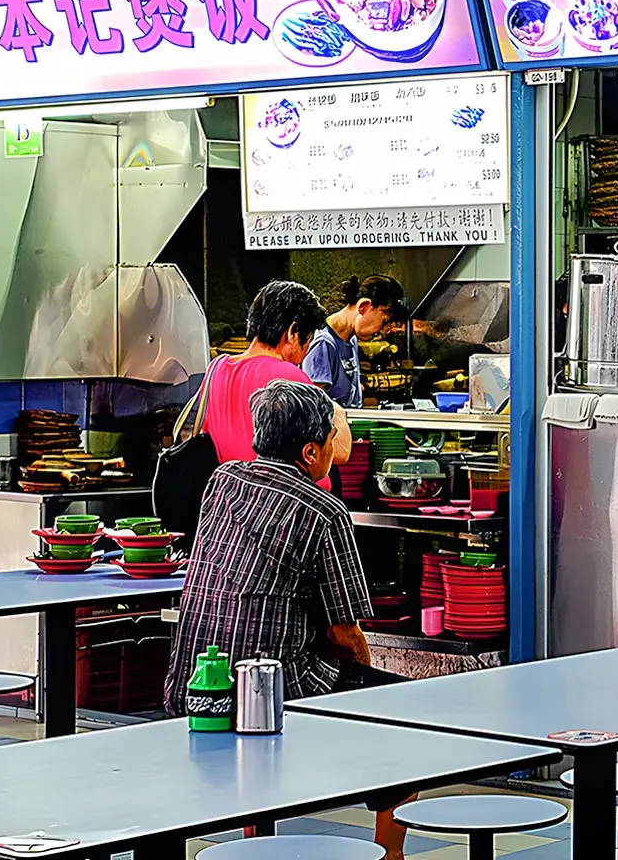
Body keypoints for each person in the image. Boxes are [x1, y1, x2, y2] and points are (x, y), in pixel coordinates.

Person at [164, 380, 412, 859]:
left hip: (193, 683)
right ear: (310, 450)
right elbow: (344, 632)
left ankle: (258, 838)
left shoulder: (223, 481)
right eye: (330, 440)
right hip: (270, 691)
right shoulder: (324, 511)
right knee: (399, 712)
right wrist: (365, 673)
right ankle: (391, 854)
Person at [203, 280, 349, 467]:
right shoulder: (288, 377)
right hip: (285, 491)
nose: (306, 353)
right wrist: (336, 411)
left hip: (235, 487)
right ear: (293, 333)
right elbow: (339, 452)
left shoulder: (217, 368)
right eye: (309, 341)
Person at [304, 275, 405, 409]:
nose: (383, 331)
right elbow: (315, 405)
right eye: (384, 320)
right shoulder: (322, 343)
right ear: (364, 307)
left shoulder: (351, 339)